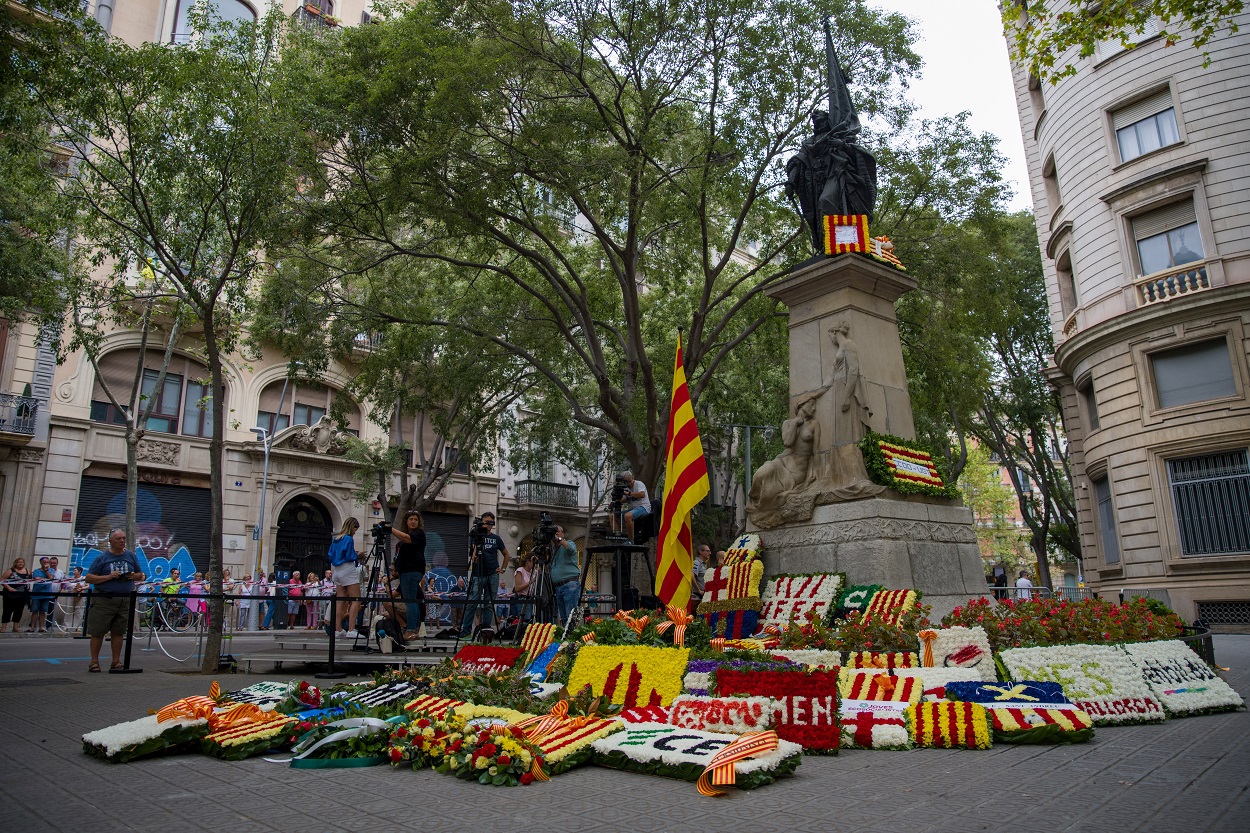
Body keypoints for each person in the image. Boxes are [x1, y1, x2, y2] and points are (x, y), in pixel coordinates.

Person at [83, 528, 145, 672]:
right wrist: (108, 577)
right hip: (104, 599)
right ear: (110, 541)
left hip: (124, 600)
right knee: (98, 631)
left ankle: (116, 662)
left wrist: (134, 576)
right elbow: (89, 577)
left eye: (123, 538)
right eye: (118, 539)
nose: (122, 541)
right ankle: (94, 662)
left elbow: (141, 574)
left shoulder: (131, 556)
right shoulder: (102, 558)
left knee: (119, 632)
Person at [460, 512, 508, 638]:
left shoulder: (496, 538)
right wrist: (477, 539)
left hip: (492, 574)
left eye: (490, 522)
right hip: (477, 573)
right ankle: (466, 630)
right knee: (472, 602)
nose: (487, 525)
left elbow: (506, 554)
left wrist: (502, 569)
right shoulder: (475, 536)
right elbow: (473, 553)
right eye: (485, 522)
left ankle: (486, 630)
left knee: (489, 604)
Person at [391, 510, 427, 641]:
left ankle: (411, 630)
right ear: (406, 521)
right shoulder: (404, 539)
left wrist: (390, 529)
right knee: (413, 601)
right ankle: (413, 629)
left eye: (415, 519)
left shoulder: (418, 534)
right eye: (411, 519)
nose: (413, 521)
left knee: (410, 601)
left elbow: (407, 539)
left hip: (412, 571)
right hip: (406, 572)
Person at [328, 518, 362, 638]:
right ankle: (351, 629)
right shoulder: (348, 538)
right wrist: (357, 555)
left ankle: (338, 629)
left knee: (340, 600)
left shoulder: (336, 539)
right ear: (352, 527)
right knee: (356, 599)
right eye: (355, 529)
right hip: (347, 568)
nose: (355, 532)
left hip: (337, 570)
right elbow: (349, 555)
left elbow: (330, 554)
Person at [549, 526, 581, 626]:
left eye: (558, 532)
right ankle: (566, 637)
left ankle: (572, 638)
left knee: (570, 615)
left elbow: (570, 548)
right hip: (558, 587)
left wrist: (559, 539)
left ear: (562, 534)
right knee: (563, 616)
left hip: (569, 585)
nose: (556, 534)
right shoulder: (554, 549)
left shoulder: (569, 543)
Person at [1, 557, 33, 633]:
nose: (20, 563)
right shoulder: (10, 571)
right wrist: (9, 587)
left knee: (19, 611)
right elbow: (2, 580)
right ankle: (3, 627)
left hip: (21, 594)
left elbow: (30, 580)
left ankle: (15, 627)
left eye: (22, 562)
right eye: (19, 562)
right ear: (15, 563)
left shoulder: (28, 571)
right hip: (10, 594)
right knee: (7, 610)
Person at [620, 471, 651, 541]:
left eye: (630, 481)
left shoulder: (639, 484)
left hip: (643, 507)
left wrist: (628, 493)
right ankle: (618, 536)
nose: (629, 483)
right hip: (632, 509)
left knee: (627, 516)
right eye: (627, 482)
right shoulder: (625, 487)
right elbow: (623, 499)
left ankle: (631, 539)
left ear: (632, 478)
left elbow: (642, 495)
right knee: (613, 516)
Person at [29, 556, 55, 633]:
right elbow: (37, 579)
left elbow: (51, 577)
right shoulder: (36, 571)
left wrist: (46, 571)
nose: (46, 564)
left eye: (47, 562)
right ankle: (32, 627)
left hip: (46, 593)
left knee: (43, 611)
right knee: (35, 611)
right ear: (41, 563)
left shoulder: (51, 570)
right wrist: (44, 579)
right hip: (37, 593)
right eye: (44, 562)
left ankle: (41, 627)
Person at [510, 554, 532, 621]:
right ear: (528, 561)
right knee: (526, 619)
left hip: (532, 598)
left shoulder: (534, 572)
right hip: (523, 598)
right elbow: (517, 588)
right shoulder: (520, 570)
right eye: (533, 561)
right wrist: (530, 582)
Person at [65, 566, 87, 631]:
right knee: (69, 609)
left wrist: (81, 588)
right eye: (73, 570)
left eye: (75, 570)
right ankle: (67, 625)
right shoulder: (71, 579)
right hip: (71, 594)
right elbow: (67, 586)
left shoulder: (84, 578)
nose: (73, 572)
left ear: (79, 571)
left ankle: (78, 626)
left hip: (81, 595)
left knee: (79, 611)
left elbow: (87, 586)